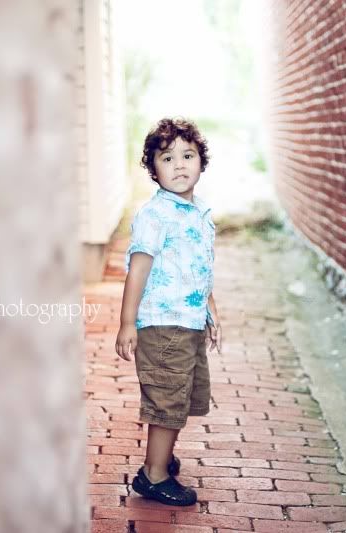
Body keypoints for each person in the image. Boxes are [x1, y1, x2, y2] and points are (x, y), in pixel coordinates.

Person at [115, 117, 222, 506]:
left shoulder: (198, 212)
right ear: (153, 169)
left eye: (188, 155)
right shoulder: (155, 215)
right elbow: (138, 270)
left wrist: (210, 311)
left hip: (187, 322)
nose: (179, 165)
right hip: (162, 325)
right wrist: (128, 323)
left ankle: (162, 455)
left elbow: (200, 267)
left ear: (201, 163)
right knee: (166, 401)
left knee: (180, 395)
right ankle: (153, 475)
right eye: (167, 157)